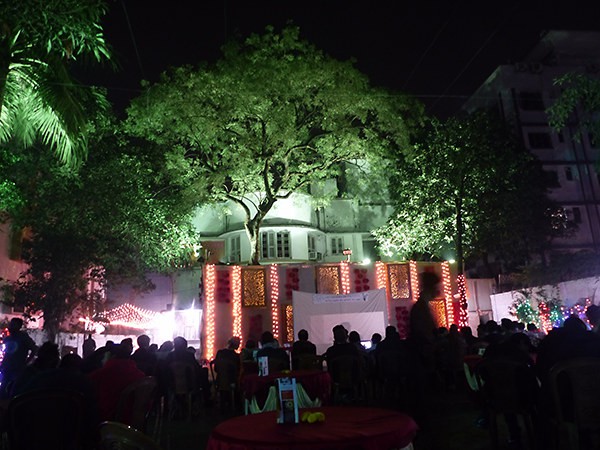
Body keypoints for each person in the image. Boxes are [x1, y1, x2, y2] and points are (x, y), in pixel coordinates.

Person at [88, 343, 146, 421]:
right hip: (132, 417)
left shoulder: (104, 373)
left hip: (106, 417)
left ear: (110, 356)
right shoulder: (140, 375)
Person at [0, 317, 37, 398]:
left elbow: (34, 349)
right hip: (7, 367)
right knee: (3, 388)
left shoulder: (23, 337)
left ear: (18, 326)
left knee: (13, 390)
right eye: (11, 324)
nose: (10, 326)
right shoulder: (8, 338)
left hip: (17, 368)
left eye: (13, 325)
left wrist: (26, 362)